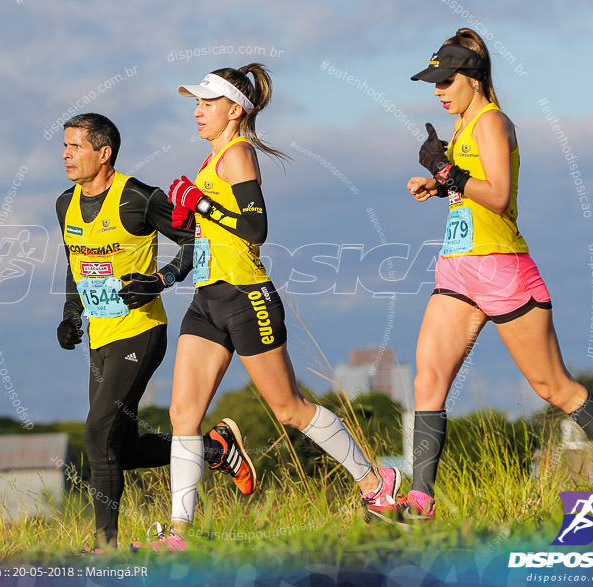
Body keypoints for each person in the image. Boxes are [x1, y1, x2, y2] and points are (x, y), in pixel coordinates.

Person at [373, 29, 593, 522]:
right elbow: (469, 194)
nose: (437, 90)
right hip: (458, 269)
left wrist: (446, 171)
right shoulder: (461, 127)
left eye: (445, 80)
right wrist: (438, 187)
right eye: (433, 82)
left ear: (473, 79)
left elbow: (499, 196)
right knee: (427, 381)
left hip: (503, 269)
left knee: (553, 388)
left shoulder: (492, 123)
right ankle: (420, 501)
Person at [131, 65, 401, 552]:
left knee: (289, 409)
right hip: (206, 302)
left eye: (207, 104)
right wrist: (166, 275)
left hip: (246, 299)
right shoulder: (207, 165)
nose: (197, 111)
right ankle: (178, 536)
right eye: (196, 103)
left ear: (235, 110)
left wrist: (203, 206)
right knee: (182, 416)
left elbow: (255, 229)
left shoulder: (238, 154)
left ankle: (375, 482)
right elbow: (199, 248)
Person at [55, 113, 256, 552]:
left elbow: (195, 240)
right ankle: (214, 449)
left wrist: (159, 279)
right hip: (101, 338)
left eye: (76, 147)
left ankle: (105, 546)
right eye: (64, 147)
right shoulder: (64, 204)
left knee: (95, 435)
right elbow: (75, 264)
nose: (66, 155)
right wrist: (72, 313)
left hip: (142, 332)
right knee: (119, 451)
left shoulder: (137, 197)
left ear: (104, 153)